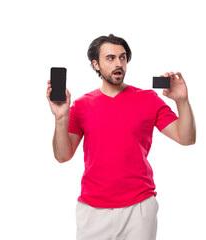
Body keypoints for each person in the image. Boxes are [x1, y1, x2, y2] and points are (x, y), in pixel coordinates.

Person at [46, 34, 196, 240]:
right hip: (93, 210)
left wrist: (182, 101)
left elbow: (186, 138)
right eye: (110, 58)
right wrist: (61, 118)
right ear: (96, 64)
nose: (119, 64)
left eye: (122, 57)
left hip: (139, 208)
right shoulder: (81, 105)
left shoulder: (148, 99)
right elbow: (62, 156)